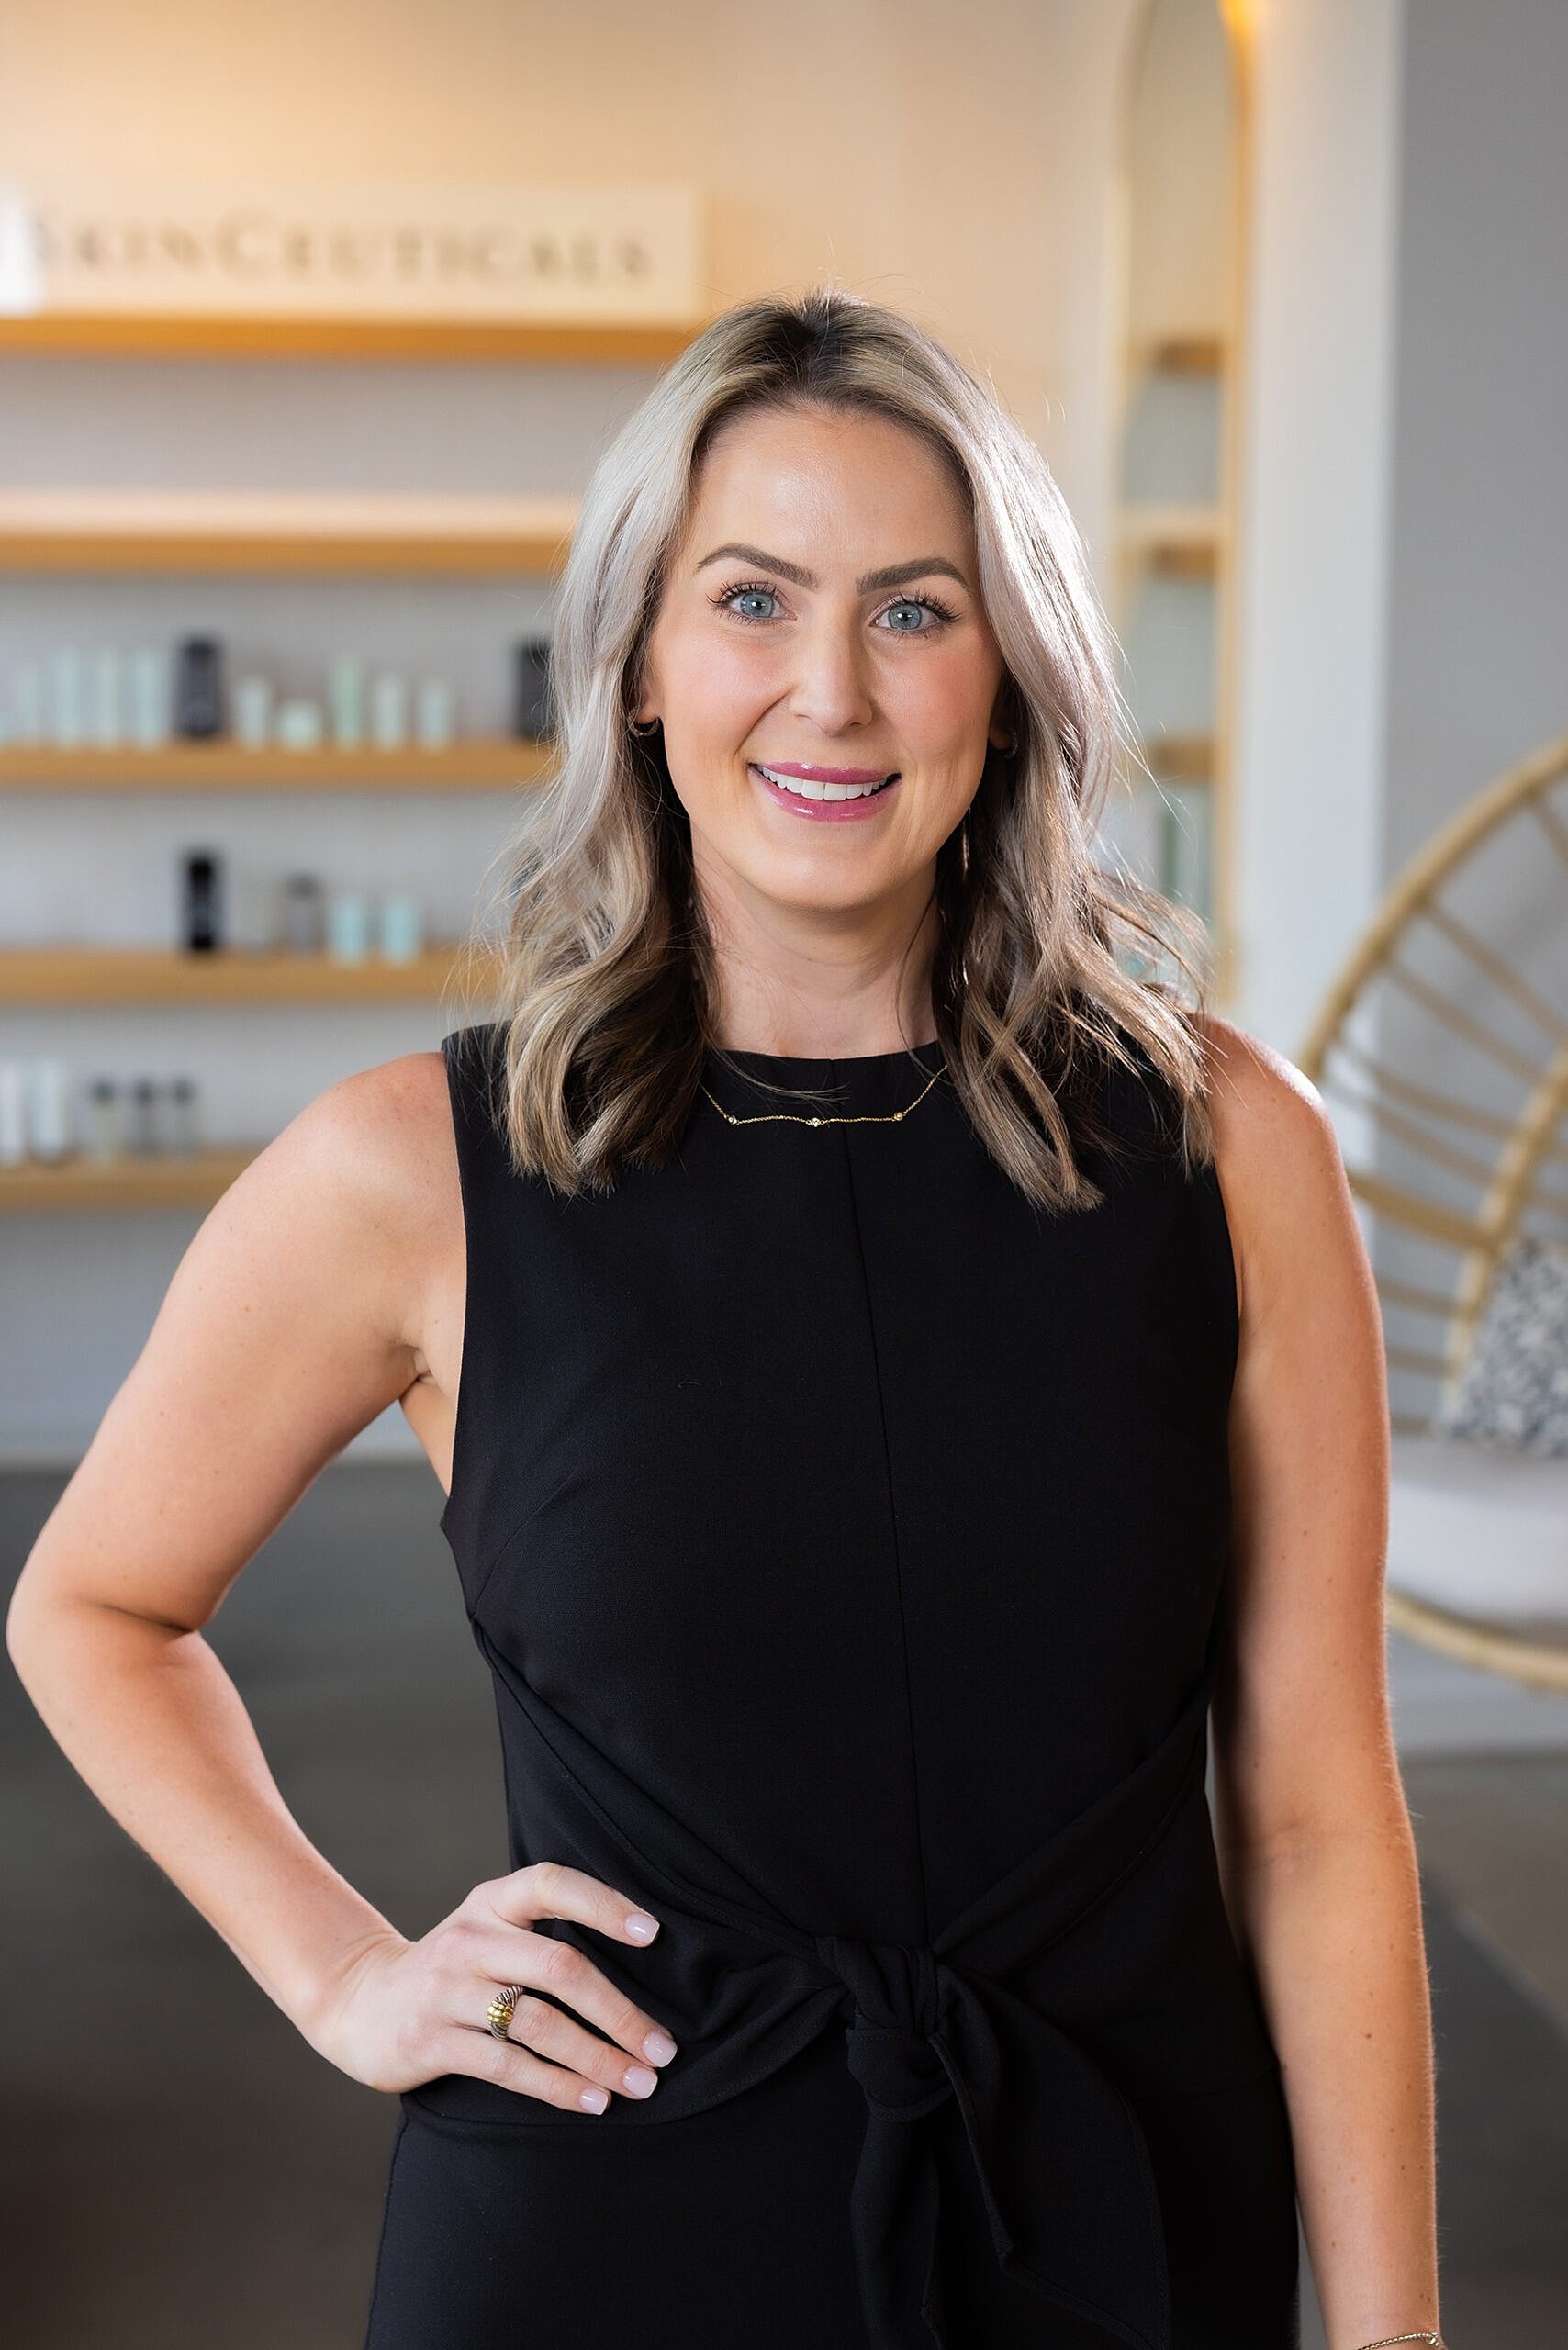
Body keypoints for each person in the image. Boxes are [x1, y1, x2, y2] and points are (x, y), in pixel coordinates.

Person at [6, 288, 1444, 2350]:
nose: (830, 696)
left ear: (1011, 676)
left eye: (914, 610)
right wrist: (340, 1969)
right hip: (600, 2223)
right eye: (751, 600)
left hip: (1119, 2205)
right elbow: (94, 1605)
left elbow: (1309, 1810)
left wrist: (1389, 2334)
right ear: (640, 667)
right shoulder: (410, 1169)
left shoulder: (1228, 1148)